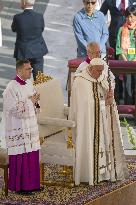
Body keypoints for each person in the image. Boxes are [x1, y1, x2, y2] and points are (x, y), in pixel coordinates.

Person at [69, 58, 129, 185]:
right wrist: (103, 103)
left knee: (104, 146)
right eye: (98, 71)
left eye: (102, 71)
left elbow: (104, 94)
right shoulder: (80, 81)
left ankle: (104, 174)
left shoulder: (101, 77)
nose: (101, 74)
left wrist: (109, 95)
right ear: (91, 69)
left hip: (101, 120)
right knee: (91, 147)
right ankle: (89, 175)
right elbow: (84, 105)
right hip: (87, 124)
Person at [2, 59, 41, 193]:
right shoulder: (11, 88)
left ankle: (33, 184)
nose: (31, 70)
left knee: (32, 156)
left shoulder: (29, 83)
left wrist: (36, 102)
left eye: (31, 68)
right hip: (18, 127)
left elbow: (34, 103)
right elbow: (13, 109)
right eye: (28, 69)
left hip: (30, 127)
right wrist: (31, 102)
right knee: (22, 157)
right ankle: (20, 187)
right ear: (19, 71)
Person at [11, 0, 48, 80]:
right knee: (39, 80)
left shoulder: (17, 18)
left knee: (22, 80)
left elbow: (13, 29)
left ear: (24, 2)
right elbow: (41, 29)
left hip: (22, 52)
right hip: (37, 50)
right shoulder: (39, 16)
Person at [116, 5, 136, 104]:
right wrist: (126, 61)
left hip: (135, 62)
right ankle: (128, 111)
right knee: (127, 87)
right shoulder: (121, 29)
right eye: (128, 16)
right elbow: (118, 49)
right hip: (126, 63)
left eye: (132, 16)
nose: (130, 19)